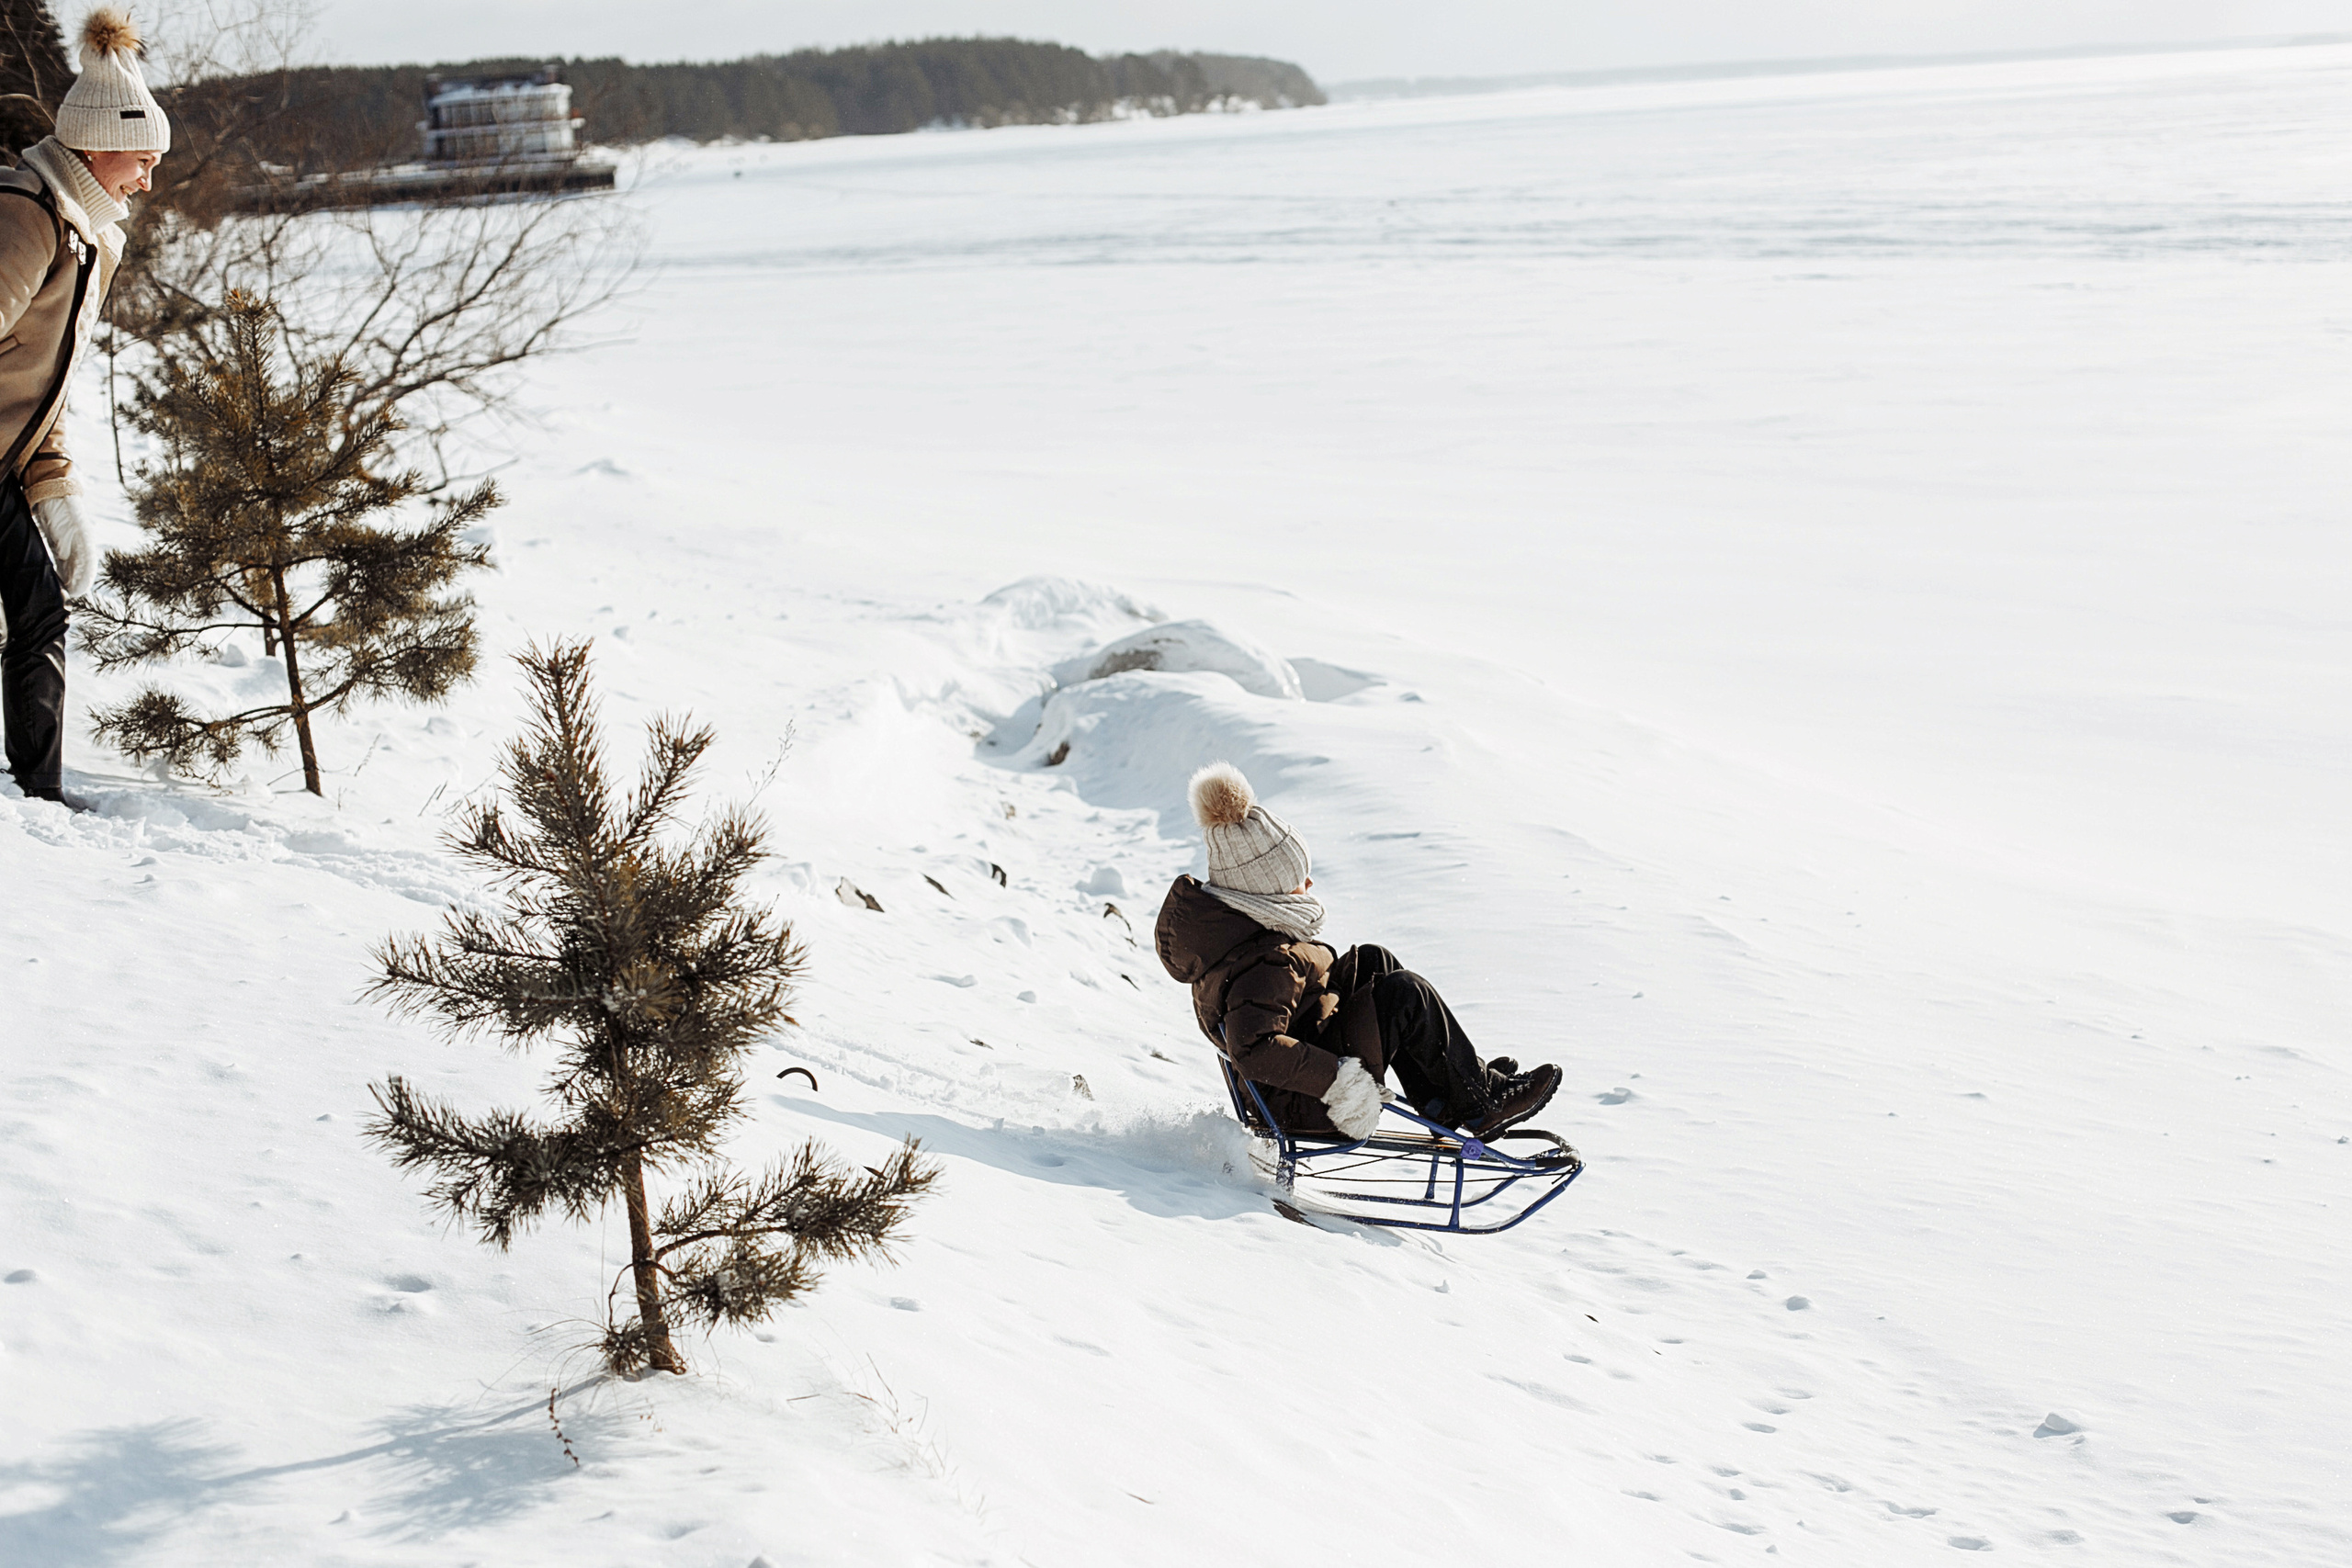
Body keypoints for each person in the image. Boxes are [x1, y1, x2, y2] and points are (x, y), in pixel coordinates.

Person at [1154, 761, 1563, 1142]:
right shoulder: (1266, 960)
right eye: (1298, 878)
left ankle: (1449, 1095)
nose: (1309, 884)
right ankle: (1481, 1104)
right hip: (1307, 1104)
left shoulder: (1246, 937)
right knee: (1404, 993)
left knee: (1373, 960)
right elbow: (1255, 1049)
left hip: (1300, 1078)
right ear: (1267, 891)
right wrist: (1339, 1079)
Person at [0, 9, 164, 805]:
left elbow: (42, 379)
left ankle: (39, 787)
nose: (147, 177)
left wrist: (53, 485)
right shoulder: (27, 213)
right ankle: (36, 794)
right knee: (32, 617)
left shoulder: (88, 233)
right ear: (98, 145)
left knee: (37, 615)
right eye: (143, 158)